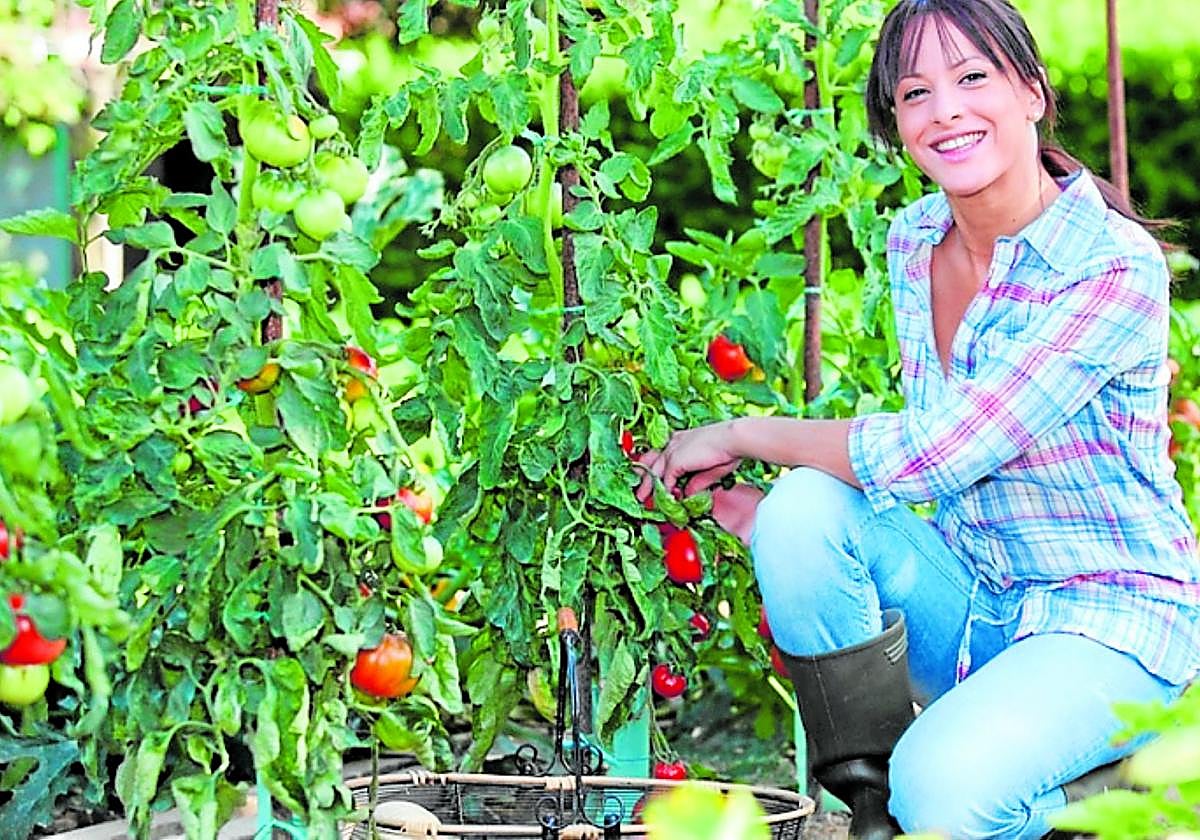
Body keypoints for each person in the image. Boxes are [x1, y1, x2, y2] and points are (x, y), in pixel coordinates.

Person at [636, 0, 1200, 837]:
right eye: (915, 93)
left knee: (944, 789)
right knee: (798, 509)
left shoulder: (1111, 268)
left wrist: (740, 432)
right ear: (896, 121)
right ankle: (874, 810)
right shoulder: (915, 239)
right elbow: (918, 462)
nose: (947, 111)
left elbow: (945, 450)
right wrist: (791, 527)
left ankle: (1098, 807)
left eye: (974, 78)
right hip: (977, 594)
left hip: (1109, 620)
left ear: (1033, 93)